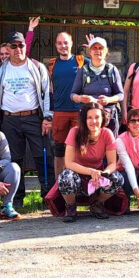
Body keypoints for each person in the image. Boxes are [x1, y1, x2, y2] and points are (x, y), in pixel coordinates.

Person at [0, 31, 52, 209]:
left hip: (33, 117)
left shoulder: (37, 67)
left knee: (42, 156)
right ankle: (17, 197)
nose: (17, 49)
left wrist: (47, 117)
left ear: (25, 46)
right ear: (8, 48)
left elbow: (46, 94)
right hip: (9, 120)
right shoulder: (0, 70)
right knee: (14, 160)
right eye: (13, 46)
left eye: (20, 45)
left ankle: (47, 196)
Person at [58, 102, 125, 222]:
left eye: (97, 117)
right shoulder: (74, 132)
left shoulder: (107, 133)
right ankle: (71, 207)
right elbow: (68, 163)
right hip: (77, 176)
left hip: (98, 177)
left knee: (117, 178)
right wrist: (91, 171)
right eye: (90, 117)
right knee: (65, 177)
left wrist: (103, 173)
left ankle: (97, 204)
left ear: (103, 118)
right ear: (84, 119)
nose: (94, 121)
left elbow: (112, 163)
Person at [48, 31, 88, 177]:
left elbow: (100, 63)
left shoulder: (81, 61)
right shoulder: (52, 64)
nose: (63, 46)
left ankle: (78, 185)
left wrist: (91, 48)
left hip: (79, 112)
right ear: (56, 45)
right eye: (59, 43)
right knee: (59, 151)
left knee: (78, 150)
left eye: (65, 42)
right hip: (59, 112)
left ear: (71, 44)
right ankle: (59, 187)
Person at [70, 37, 124, 135]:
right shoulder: (83, 71)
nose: (97, 51)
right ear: (90, 51)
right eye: (94, 48)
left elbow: (120, 95)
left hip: (108, 119)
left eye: (100, 48)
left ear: (106, 51)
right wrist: (81, 98)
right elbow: (72, 94)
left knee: (109, 147)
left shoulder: (111, 70)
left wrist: (108, 100)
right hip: (88, 120)